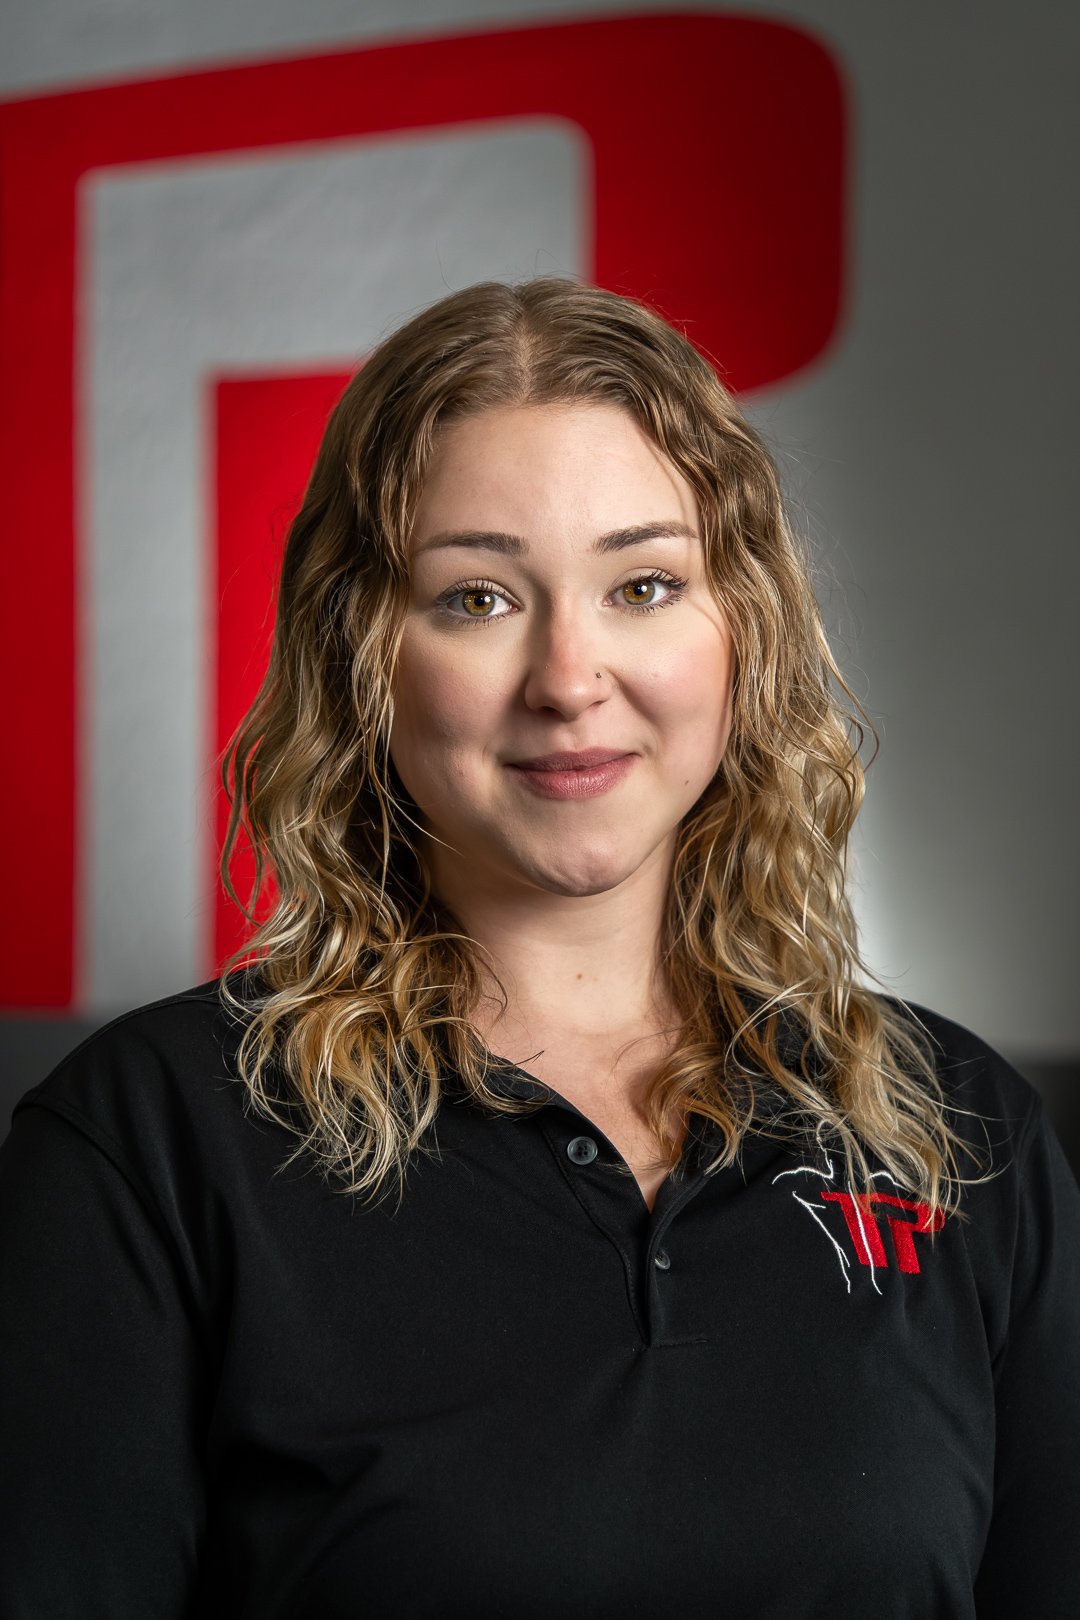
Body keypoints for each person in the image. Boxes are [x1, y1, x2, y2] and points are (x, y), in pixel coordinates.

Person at [1, 278, 1077, 1618]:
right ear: (362, 653)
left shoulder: (959, 1132)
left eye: (644, 584)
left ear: (740, 630)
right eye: (477, 598)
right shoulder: (149, 1144)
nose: (570, 678)